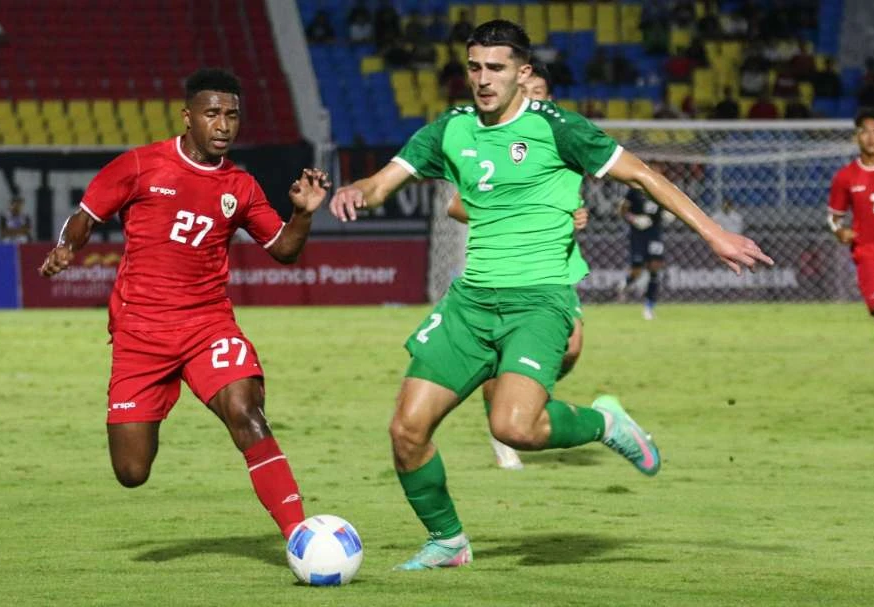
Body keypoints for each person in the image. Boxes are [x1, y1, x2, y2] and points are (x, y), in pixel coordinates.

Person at [329, 20, 772, 570]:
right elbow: (382, 182)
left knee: (514, 427)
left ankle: (607, 424)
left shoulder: (558, 128)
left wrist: (714, 234)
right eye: (474, 67)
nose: (483, 79)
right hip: (469, 302)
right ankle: (448, 542)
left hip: (539, 300)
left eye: (496, 68)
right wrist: (355, 192)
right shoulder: (450, 130)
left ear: (523, 72)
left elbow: (643, 175)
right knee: (406, 430)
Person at [39, 69, 329, 541]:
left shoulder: (241, 186)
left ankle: (301, 536)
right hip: (141, 332)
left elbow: (283, 249)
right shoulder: (141, 165)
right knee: (132, 471)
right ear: (187, 116)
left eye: (232, 115)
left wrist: (301, 214)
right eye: (212, 114)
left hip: (207, 326)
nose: (223, 126)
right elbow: (86, 214)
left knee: (247, 412)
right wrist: (66, 247)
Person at [447, 61, 591, 470]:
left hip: (556, 263)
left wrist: (576, 214)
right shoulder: (496, 143)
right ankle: (506, 423)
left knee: (572, 348)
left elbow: (564, 200)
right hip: (509, 267)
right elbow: (456, 205)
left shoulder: (559, 139)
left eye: (541, 92)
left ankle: (516, 400)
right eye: (528, 92)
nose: (535, 98)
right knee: (517, 352)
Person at [828, 108, 874, 375]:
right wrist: (840, 232)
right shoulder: (846, 176)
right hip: (869, 258)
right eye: (865, 131)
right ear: (856, 138)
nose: (871, 137)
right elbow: (834, 217)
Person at [617, 173, 671, 319]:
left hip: (655, 233)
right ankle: (627, 283)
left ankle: (649, 306)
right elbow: (622, 209)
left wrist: (669, 213)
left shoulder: (661, 190)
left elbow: (670, 206)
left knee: (655, 267)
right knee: (638, 268)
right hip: (638, 234)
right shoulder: (635, 190)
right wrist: (633, 218)